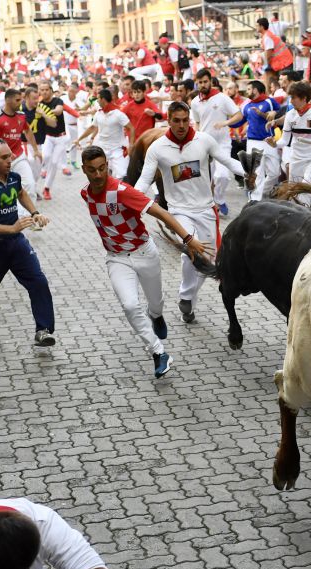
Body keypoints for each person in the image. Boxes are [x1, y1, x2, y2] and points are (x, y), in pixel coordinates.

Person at [80, 146, 211, 378]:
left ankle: (156, 315)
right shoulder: (85, 193)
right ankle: (158, 352)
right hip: (117, 259)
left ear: (107, 166)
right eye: (92, 170)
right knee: (130, 306)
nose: (98, 175)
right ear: (84, 170)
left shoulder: (123, 191)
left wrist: (188, 238)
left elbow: (161, 213)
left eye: (102, 168)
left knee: (156, 303)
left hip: (144, 253)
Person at [136, 102, 250, 324]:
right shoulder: (157, 148)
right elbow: (144, 179)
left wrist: (247, 172)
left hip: (206, 209)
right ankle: (186, 297)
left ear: (189, 119)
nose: (181, 125)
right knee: (190, 249)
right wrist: (132, 198)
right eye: (176, 121)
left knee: (208, 258)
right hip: (178, 211)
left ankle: (188, 298)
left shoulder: (204, 140)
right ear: (168, 120)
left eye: (184, 120)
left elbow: (228, 161)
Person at [0, 138, 56, 347]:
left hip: (17, 244)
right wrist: (12, 228)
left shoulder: (14, 177)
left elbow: (21, 193)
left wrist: (35, 213)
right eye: (4, 157)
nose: (10, 160)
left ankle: (43, 330)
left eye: (10, 156)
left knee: (39, 282)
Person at [217, 80, 281, 202]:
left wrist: (274, 112)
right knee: (257, 174)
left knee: (275, 173)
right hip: (253, 142)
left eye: (249, 89)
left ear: (255, 90)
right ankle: (254, 201)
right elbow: (239, 122)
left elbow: (281, 112)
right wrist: (226, 122)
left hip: (269, 141)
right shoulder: (246, 105)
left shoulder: (269, 101)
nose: (247, 92)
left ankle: (263, 192)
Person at [192, 69, 240, 216]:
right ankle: (208, 206)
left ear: (211, 82)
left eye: (205, 81)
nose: (203, 85)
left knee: (222, 175)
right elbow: (197, 123)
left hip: (222, 144)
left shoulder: (222, 98)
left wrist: (225, 123)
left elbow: (238, 115)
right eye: (200, 82)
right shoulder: (194, 102)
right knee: (205, 179)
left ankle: (219, 199)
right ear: (197, 83)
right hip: (204, 146)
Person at [0, 88, 42, 201]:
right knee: (5, 192)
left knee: (30, 185)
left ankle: (32, 212)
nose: (20, 103)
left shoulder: (21, 116)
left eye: (21, 100)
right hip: (2, 161)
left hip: (19, 158)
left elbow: (28, 131)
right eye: (17, 100)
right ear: (8, 101)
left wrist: (36, 150)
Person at [73, 89, 134, 179]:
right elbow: (92, 128)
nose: (97, 100)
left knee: (121, 175)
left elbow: (131, 128)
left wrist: (131, 145)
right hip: (102, 150)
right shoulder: (99, 113)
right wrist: (79, 139)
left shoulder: (118, 114)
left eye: (98, 98)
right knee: (102, 176)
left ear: (103, 99)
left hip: (117, 150)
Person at [36, 82, 67, 201]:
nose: (44, 92)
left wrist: (44, 113)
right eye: (42, 90)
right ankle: (43, 170)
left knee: (54, 163)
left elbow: (58, 111)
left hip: (61, 137)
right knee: (46, 156)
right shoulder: (39, 104)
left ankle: (47, 188)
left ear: (51, 91)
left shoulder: (57, 101)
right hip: (48, 137)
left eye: (46, 90)